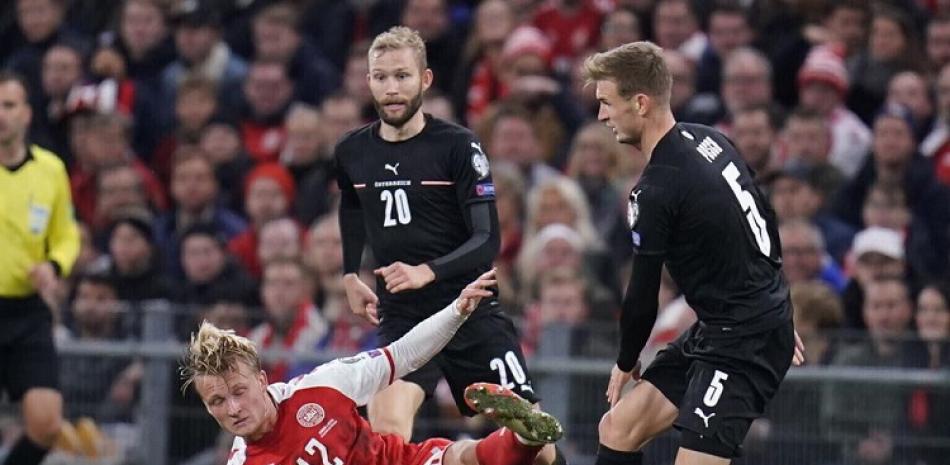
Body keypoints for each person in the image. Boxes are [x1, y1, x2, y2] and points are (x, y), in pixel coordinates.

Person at [334, 26, 559, 464]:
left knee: (536, 444)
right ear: (368, 82)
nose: (392, 88)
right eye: (381, 77)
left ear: (425, 79)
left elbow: (487, 239)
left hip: (469, 310)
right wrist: (348, 273)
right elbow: (351, 208)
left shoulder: (458, 146)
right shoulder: (351, 151)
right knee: (386, 436)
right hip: (404, 318)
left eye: (402, 76)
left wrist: (428, 270)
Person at [581, 42, 804, 465]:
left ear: (640, 103)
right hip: (730, 326)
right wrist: (774, 304)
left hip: (743, 344)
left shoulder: (655, 191)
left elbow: (643, 296)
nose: (601, 115)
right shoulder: (711, 139)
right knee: (619, 427)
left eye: (607, 103)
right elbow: (762, 217)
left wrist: (626, 361)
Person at [179, 270, 563, 465]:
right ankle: (524, 440)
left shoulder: (321, 386)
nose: (232, 409)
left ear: (262, 380)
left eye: (238, 392)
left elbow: (404, 354)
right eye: (216, 401)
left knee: (465, 459)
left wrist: (456, 311)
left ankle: (524, 435)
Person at [0, 71, 80, 465]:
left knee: (47, 424)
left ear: (26, 113)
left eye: (8, 105)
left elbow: (66, 234)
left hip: (27, 311)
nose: (0, 115)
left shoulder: (50, 169)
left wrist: (54, 265)